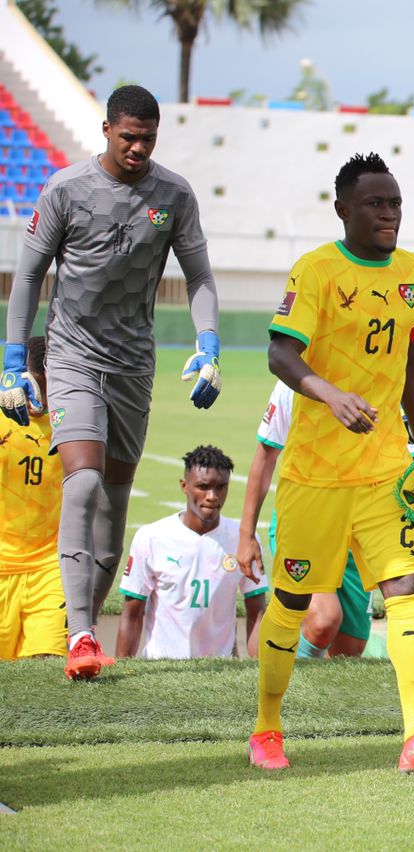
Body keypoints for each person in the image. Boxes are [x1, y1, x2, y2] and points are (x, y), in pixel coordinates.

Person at [249, 152, 414, 774]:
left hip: (386, 471)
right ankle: (266, 729)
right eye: (375, 204)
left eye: (395, 203)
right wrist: (331, 395)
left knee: (406, 590)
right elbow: (280, 353)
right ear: (343, 209)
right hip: (315, 475)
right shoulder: (316, 270)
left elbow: (411, 360)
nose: (389, 214)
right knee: (292, 600)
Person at [1, 85, 222, 680]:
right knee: (84, 482)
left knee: (115, 499)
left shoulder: (173, 195)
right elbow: (28, 276)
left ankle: (82, 632)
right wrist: (14, 357)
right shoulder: (65, 189)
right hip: (72, 355)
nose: (138, 148)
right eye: (128, 137)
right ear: (106, 130)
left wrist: (208, 343)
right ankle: (79, 634)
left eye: (148, 138)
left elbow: (199, 276)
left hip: (133, 365)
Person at [237, 379, 394, 659]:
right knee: (324, 620)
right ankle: (268, 674)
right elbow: (265, 457)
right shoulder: (293, 381)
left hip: (360, 527)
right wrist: (246, 534)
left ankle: (282, 663)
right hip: (305, 520)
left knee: (349, 649)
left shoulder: (382, 375)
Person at [116, 446, 266, 659]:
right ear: (184, 486)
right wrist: (123, 668)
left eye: (221, 487)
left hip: (220, 666)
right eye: (203, 487)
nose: (212, 496)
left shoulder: (244, 539)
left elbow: (257, 613)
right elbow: (132, 614)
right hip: (162, 664)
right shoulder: (151, 537)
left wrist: (259, 669)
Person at [0, 337, 67, 660]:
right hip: (3, 567)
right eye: (32, 388)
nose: (37, 400)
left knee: (46, 665)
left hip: (50, 570)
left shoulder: (72, 428)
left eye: (45, 388)